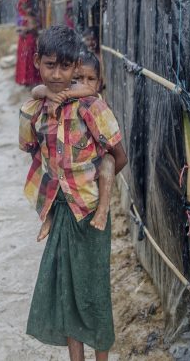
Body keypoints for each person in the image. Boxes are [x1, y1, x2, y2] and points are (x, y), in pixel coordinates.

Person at [19, 26, 128, 360]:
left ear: (74, 66)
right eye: (49, 65)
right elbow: (30, 148)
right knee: (66, 293)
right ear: (37, 62)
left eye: (64, 68)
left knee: (94, 293)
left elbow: (118, 156)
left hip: (90, 211)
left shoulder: (93, 109)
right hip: (62, 209)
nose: (57, 74)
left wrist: (94, 187)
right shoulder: (33, 111)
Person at [31, 51, 115, 242]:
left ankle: (102, 209)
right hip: (64, 168)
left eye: (90, 78)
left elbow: (89, 91)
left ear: (100, 82)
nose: (84, 83)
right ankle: (49, 215)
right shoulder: (60, 99)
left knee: (108, 161)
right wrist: (49, 92)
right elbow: (35, 91)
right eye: (78, 78)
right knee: (46, 163)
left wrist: (62, 96)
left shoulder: (93, 104)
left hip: (91, 168)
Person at [15, 0, 42, 86]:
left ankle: (32, 79)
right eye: (22, 4)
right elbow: (17, 28)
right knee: (23, 59)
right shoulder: (20, 16)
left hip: (30, 40)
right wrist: (22, 30)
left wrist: (28, 29)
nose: (24, 6)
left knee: (30, 59)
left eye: (26, 4)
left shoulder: (31, 14)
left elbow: (36, 27)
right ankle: (24, 79)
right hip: (23, 41)